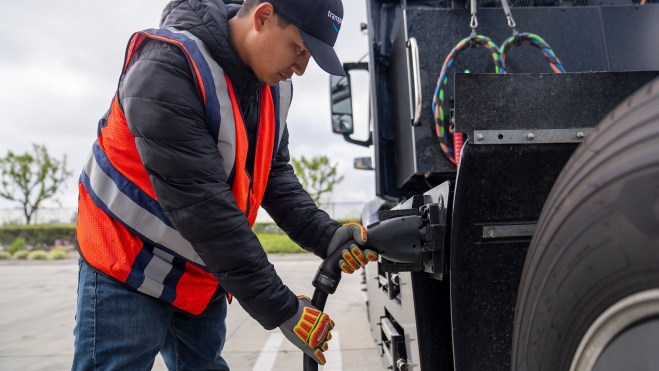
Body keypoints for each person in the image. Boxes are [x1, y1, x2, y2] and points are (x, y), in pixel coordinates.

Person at [72, 0, 379, 369]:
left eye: (309, 56)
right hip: (127, 262)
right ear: (262, 17)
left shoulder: (272, 88)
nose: (300, 68)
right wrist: (282, 308)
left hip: (200, 273)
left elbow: (272, 174)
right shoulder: (166, 68)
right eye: (298, 48)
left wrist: (324, 235)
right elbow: (205, 209)